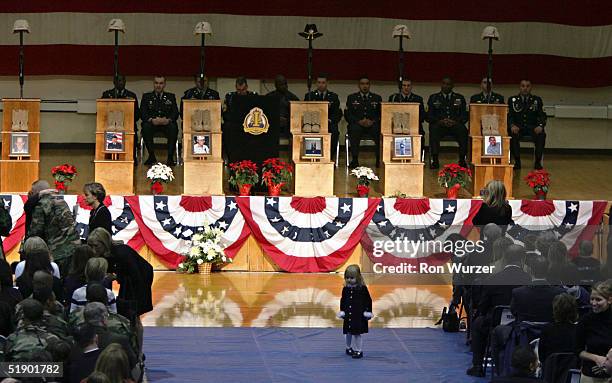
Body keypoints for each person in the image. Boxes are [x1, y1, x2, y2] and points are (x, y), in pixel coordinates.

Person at [468, 245, 532, 377]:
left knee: (478, 322)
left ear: (505, 258)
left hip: (496, 322)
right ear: (523, 259)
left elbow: (482, 308)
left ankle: (477, 365)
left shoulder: (492, 279)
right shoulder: (529, 279)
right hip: (523, 323)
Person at [87, 228, 153, 317]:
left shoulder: (121, 253)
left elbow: (135, 274)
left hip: (141, 276)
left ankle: (134, 325)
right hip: (129, 277)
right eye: (90, 246)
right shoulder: (105, 253)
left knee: (133, 308)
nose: (93, 250)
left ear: (105, 243)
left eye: (96, 246)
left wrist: (116, 277)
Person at [26, 182, 80, 276]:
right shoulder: (62, 202)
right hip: (72, 249)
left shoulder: (40, 206)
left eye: (32, 192)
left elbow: (36, 232)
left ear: (38, 192)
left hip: (56, 252)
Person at [426, 77, 469, 168]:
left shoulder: (459, 98)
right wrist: (440, 121)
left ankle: (462, 159)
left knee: (463, 130)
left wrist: (455, 122)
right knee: (434, 130)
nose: (445, 86)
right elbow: (429, 116)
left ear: (452, 86)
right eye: (444, 83)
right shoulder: (433, 98)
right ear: (441, 85)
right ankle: (435, 160)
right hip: (440, 125)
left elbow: (464, 115)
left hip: (455, 125)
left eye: (448, 84)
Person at [511, 255, 566, 322]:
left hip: (524, 331)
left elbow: (514, 312)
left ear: (530, 270)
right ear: (548, 270)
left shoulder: (518, 293)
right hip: (550, 331)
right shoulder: (559, 293)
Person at [576, 279, 612, 382]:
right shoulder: (585, 320)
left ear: (609, 300)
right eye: (592, 299)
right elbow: (578, 350)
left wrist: (608, 363)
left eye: (598, 299)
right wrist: (597, 358)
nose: (594, 303)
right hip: (590, 375)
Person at [140, 76, 179, 166]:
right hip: (152, 123)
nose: (158, 85)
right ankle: (151, 156)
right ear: (153, 84)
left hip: (166, 124)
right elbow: (143, 112)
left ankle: (170, 157)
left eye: (161, 83)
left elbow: (175, 112)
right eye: (156, 83)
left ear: (164, 84)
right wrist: (151, 119)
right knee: (146, 127)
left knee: (173, 127)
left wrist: (168, 120)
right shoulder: (147, 96)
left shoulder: (170, 96)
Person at [507, 79, 547, 170]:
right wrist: (512, 125)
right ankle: (517, 161)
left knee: (541, 135)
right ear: (519, 87)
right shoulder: (512, 100)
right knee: (512, 134)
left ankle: (537, 162)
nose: (525, 88)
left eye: (527, 86)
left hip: (532, 128)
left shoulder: (537, 100)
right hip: (518, 127)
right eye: (523, 86)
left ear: (531, 88)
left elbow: (542, 115)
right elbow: (509, 115)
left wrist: (540, 125)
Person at [345, 75, 382, 168]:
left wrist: (373, 121)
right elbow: (348, 114)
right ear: (358, 85)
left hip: (372, 125)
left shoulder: (376, 98)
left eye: (367, 84)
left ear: (370, 85)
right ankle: (355, 159)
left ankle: (379, 159)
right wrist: (358, 121)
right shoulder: (352, 98)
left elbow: (381, 114)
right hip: (357, 124)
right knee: (354, 130)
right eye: (362, 84)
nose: (364, 86)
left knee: (379, 132)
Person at [101, 75, 140, 164]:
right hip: (110, 125)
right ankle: (108, 157)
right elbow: (101, 112)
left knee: (132, 132)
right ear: (114, 82)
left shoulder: (131, 95)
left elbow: (137, 114)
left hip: (127, 126)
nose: (121, 82)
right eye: (119, 80)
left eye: (122, 80)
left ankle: (131, 158)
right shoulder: (107, 94)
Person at [337, 264, 372, 359]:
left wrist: (367, 311)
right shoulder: (345, 288)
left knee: (357, 333)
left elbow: (368, 300)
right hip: (348, 315)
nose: (349, 280)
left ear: (358, 277)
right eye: (347, 277)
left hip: (358, 316)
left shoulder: (362, 289)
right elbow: (343, 300)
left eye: (352, 278)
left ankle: (358, 351)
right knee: (347, 332)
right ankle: (348, 348)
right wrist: (342, 311)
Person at [304, 74, 343, 160]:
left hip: (329, 122)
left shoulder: (333, 96)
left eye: (323, 82)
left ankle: (329, 157)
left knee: (334, 132)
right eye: (319, 82)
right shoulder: (310, 96)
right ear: (316, 84)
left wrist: (330, 120)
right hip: (313, 123)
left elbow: (338, 112)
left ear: (327, 83)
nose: (321, 84)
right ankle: (311, 156)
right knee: (307, 131)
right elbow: (305, 111)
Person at [538, 293, 578, 365]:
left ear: (555, 309)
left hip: (551, 370)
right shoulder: (579, 330)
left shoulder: (546, 329)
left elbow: (542, 357)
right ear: (574, 310)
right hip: (573, 371)